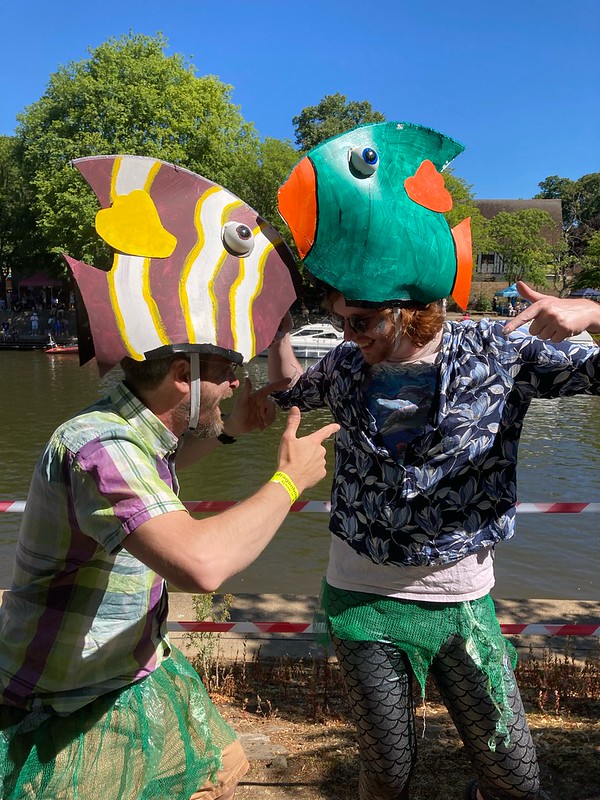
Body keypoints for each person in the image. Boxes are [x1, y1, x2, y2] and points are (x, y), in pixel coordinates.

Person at [268, 121, 600, 800]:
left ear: (410, 311)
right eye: (341, 320)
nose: (347, 336)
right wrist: (277, 323)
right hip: (361, 597)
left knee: (514, 780)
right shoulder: (346, 364)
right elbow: (290, 392)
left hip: (462, 601)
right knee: (385, 776)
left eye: (360, 321)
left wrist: (592, 310)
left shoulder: (501, 351)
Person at [0, 154, 339, 800]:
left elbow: (158, 484)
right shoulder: (98, 446)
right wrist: (288, 483)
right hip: (59, 713)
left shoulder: (131, 439)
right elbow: (199, 563)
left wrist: (231, 429)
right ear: (184, 376)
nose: (238, 381)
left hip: (117, 680)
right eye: (228, 370)